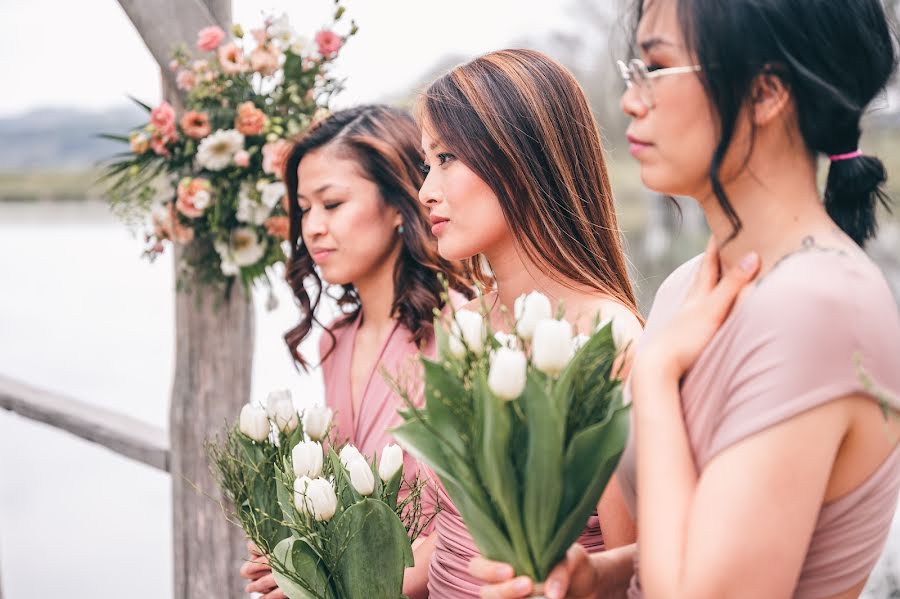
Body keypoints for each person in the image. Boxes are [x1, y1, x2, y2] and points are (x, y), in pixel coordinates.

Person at [472, 1, 900, 597]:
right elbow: (711, 541)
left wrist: (654, 377)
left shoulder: (818, 305)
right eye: (633, 72)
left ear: (765, 92)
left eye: (657, 67)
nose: (630, 101)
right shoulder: (687, 286)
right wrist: (597, 576)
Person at [417, 48, 643, 598]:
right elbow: (444, 539)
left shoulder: (609, 339)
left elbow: (630, 572)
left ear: (521, 158)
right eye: (427, 163)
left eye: (446, 158)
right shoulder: (464, 324)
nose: (426, 190)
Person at [240, 104, 472, 599]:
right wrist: (298, 560)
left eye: (332, 203)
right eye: (304, 208)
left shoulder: (462, 330)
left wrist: (343, 589)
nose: (313, 227)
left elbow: (469, 525)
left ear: (397, 204)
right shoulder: (334, 340)